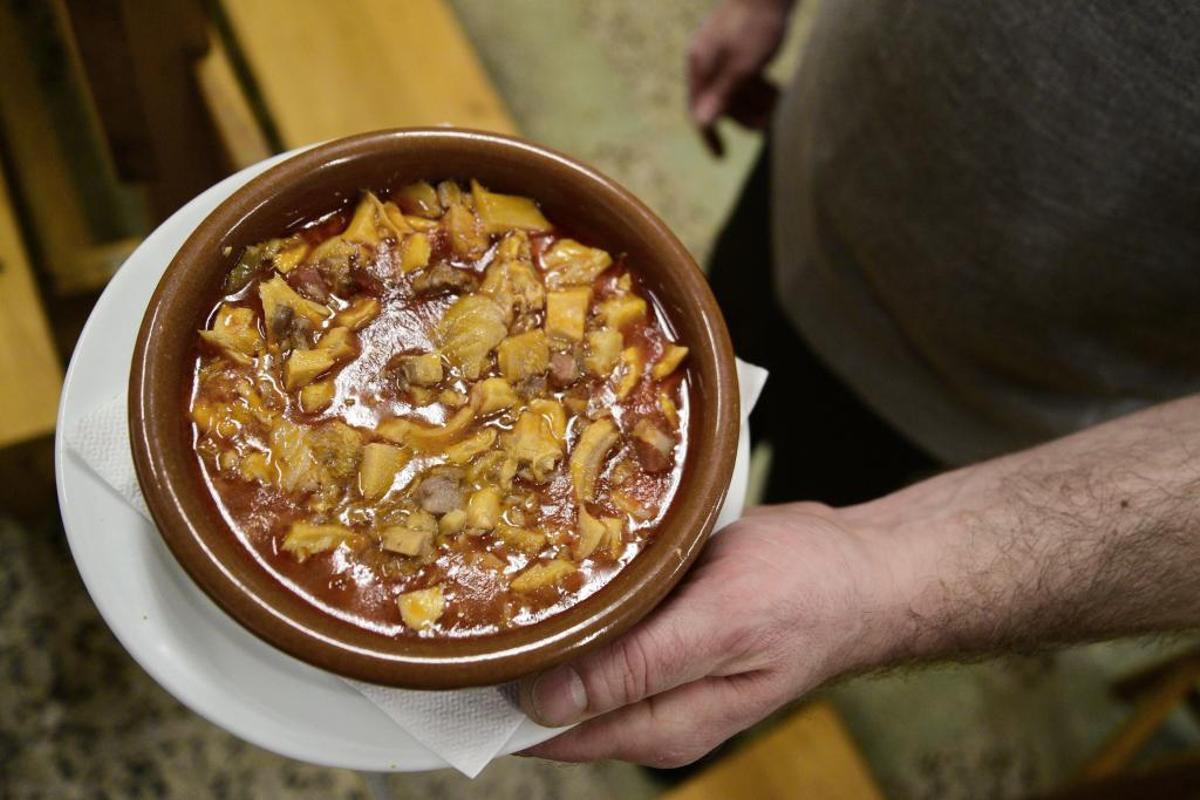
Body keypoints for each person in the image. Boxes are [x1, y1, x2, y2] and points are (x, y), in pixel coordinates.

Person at [518, 0, 1200, 767]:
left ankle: (689, 752)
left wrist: (877, 575)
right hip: (817, 159)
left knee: (757, 618)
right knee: (680, 393)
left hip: (994, 381)